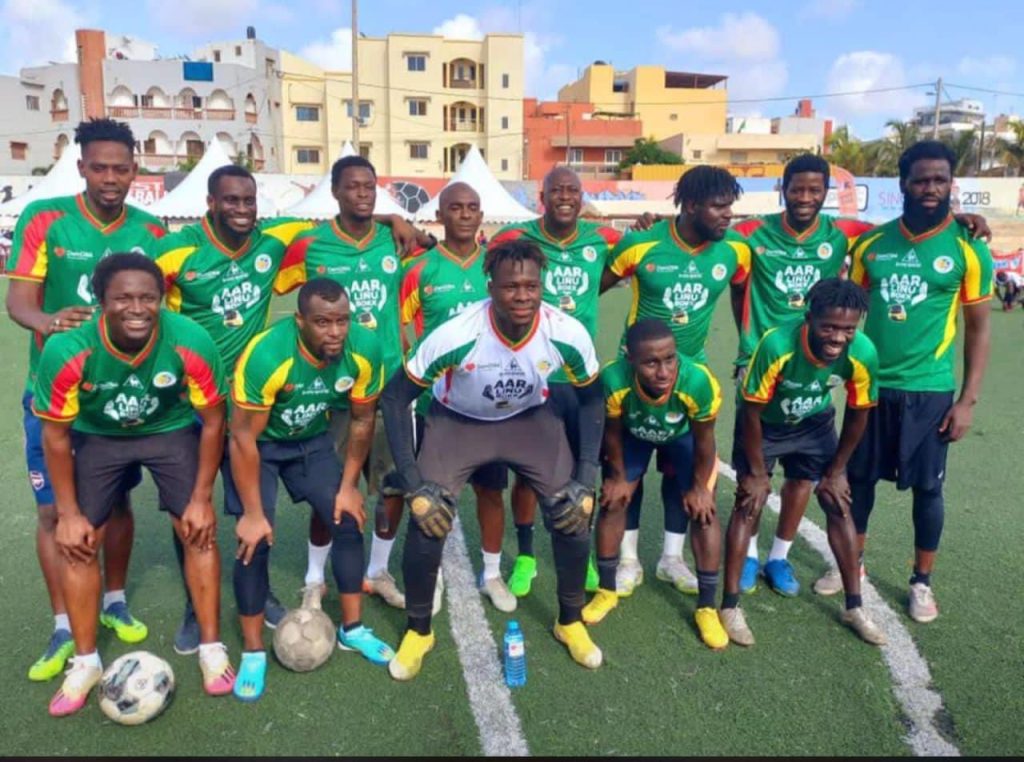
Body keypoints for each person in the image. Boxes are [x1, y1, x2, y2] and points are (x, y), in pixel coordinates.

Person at [730, 154, 991, 597]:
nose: (805, 197)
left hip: (837, 372)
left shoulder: (849, 235)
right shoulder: (753, 232)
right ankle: (753, 556)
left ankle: (781, 558)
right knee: (757, 473)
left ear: (826, 194)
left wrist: (963, 220)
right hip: (765, 364)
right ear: (783, 190)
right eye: (797, 189)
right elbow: (709, 236)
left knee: (807, 474)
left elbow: (908, 238)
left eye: (815, 190)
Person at [381, 239, 605, 680]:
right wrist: (412, 481)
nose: (522, 296)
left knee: (573, 509)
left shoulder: (566, 331)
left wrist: (586, 476)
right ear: (490, 287)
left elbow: (593, 399)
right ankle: (418, 630)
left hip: (529, 421)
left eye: (531, 286)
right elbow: (394, 397)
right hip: (458, 423)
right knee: (428, 515)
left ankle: (570, 620)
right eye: (510, 287)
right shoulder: (457, 333)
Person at [33, 253, 235, 716]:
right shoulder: (67, 349)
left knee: (197, 530)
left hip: (169, 429)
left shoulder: (191, 339)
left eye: (148, 297)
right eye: (123, 298)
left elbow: (213, 421)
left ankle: (211, 648)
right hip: (98, 435)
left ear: (161, 299)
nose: (137, 308)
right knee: (79, 541)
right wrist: (68, 514)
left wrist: (202, 498)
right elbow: (56, 436)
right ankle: (85, 663)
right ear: (101, 301)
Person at [5, 118, 166, 682]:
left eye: (120, 169)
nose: (110, 178)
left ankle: (114, 600)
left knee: (116, 503)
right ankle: (62, 625)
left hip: (117, 398)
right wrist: (47, 321)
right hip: (54, 394)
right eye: (99, 168)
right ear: (81, 168)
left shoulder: (151, 229)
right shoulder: (44, 218)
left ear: (135, 171)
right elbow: (19, 301)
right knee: (54, 511)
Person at [834, 141, 993, 623]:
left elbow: (979, 329)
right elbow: (847, 314)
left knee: (928, 490)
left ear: (951, 184)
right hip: (871, 386)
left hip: (930, 390)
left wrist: (967, 401)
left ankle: (922, 583)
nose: (930, 188)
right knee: (858, 482)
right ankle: (853, 565)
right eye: (921, 180)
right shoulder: (871, 245)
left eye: (940, 180)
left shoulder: (968, 248)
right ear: (903, 183)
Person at [227, 279, 395, 701]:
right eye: (322, 322)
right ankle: (252, 651)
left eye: (342, 321)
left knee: (347, 519)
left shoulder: (364, 348)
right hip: (261, 448)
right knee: (254, 541)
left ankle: (352, 629)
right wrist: (252, 514)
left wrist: (349, 486)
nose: (335, 332)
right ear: (299, 320)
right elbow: (242, 437)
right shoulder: (268, 354)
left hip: (311, 441)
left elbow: (362, 419)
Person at [599, 166, 751, 597]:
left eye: (730, 207)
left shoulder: (735, 250)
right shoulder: (641, 243)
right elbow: (594, 290)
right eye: (719, 207)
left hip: (689, 382)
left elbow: (742, 292)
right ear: (691, 205)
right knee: (625, 473)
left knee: (681, 474)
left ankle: (671, 559)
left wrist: (747, 346)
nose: (728, 215)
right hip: (635, 379)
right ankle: (628, 562)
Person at [276, 156, 418, 610]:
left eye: (369, 186)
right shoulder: (310, 244)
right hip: (332, 387)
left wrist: (393, 218)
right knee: (330, 488)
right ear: (334, 191)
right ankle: (315, 578)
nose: (362, 193)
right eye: (353, 186)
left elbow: (428, 248)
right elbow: (273, 288)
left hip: (390, 382)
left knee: (392, 485)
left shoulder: (395, 238)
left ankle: (377, 571)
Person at [721, 278, 886, 646]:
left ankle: (854, 607)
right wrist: (757, 473)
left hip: (814, 424)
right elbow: (750, 410)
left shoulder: (863, 351)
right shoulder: (777, 344)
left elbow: (859, 412)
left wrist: (837, 470)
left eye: (848, 329)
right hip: (764, 425)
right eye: (829, 327)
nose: (838, 337)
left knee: (838, 501)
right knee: (749, 501)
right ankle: (729, 606)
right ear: (809, 318)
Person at [487, 166, 624, 598]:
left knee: (584, 467)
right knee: (528, 473)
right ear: (541, 198)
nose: (565, 196)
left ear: (582, 198)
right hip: (533, 375)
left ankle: (581, 553)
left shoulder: (602, 239)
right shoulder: (517, 237)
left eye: (573, 190)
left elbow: (621, 266)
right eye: (557, 190)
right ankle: (527, 556)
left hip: (580, 377)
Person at [399, 182, 514, 612]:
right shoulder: (420, 269)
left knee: (490, 492)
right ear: (440, 215)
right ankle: (435, 575)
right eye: (456, 208)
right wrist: (418, 364)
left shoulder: (496, 266)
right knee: (435, 494)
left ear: (481, 214)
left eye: (472, 207)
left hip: (490, 405)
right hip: (438, 407)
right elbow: (400, 323)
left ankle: (492, 574)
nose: (465, 214)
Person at [584, 319, 728, 649]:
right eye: (651, 363)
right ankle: (607, 589)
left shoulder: (697, 380)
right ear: (630, 359)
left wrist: (701, 488)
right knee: (613, 500)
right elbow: (612, 432)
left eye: (669, 359)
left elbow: (705, 442)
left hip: (683, 438)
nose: (663, 371)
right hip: (633, 435)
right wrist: (617, 477)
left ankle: (707, 607)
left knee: (704, 511)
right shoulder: (613, 378)